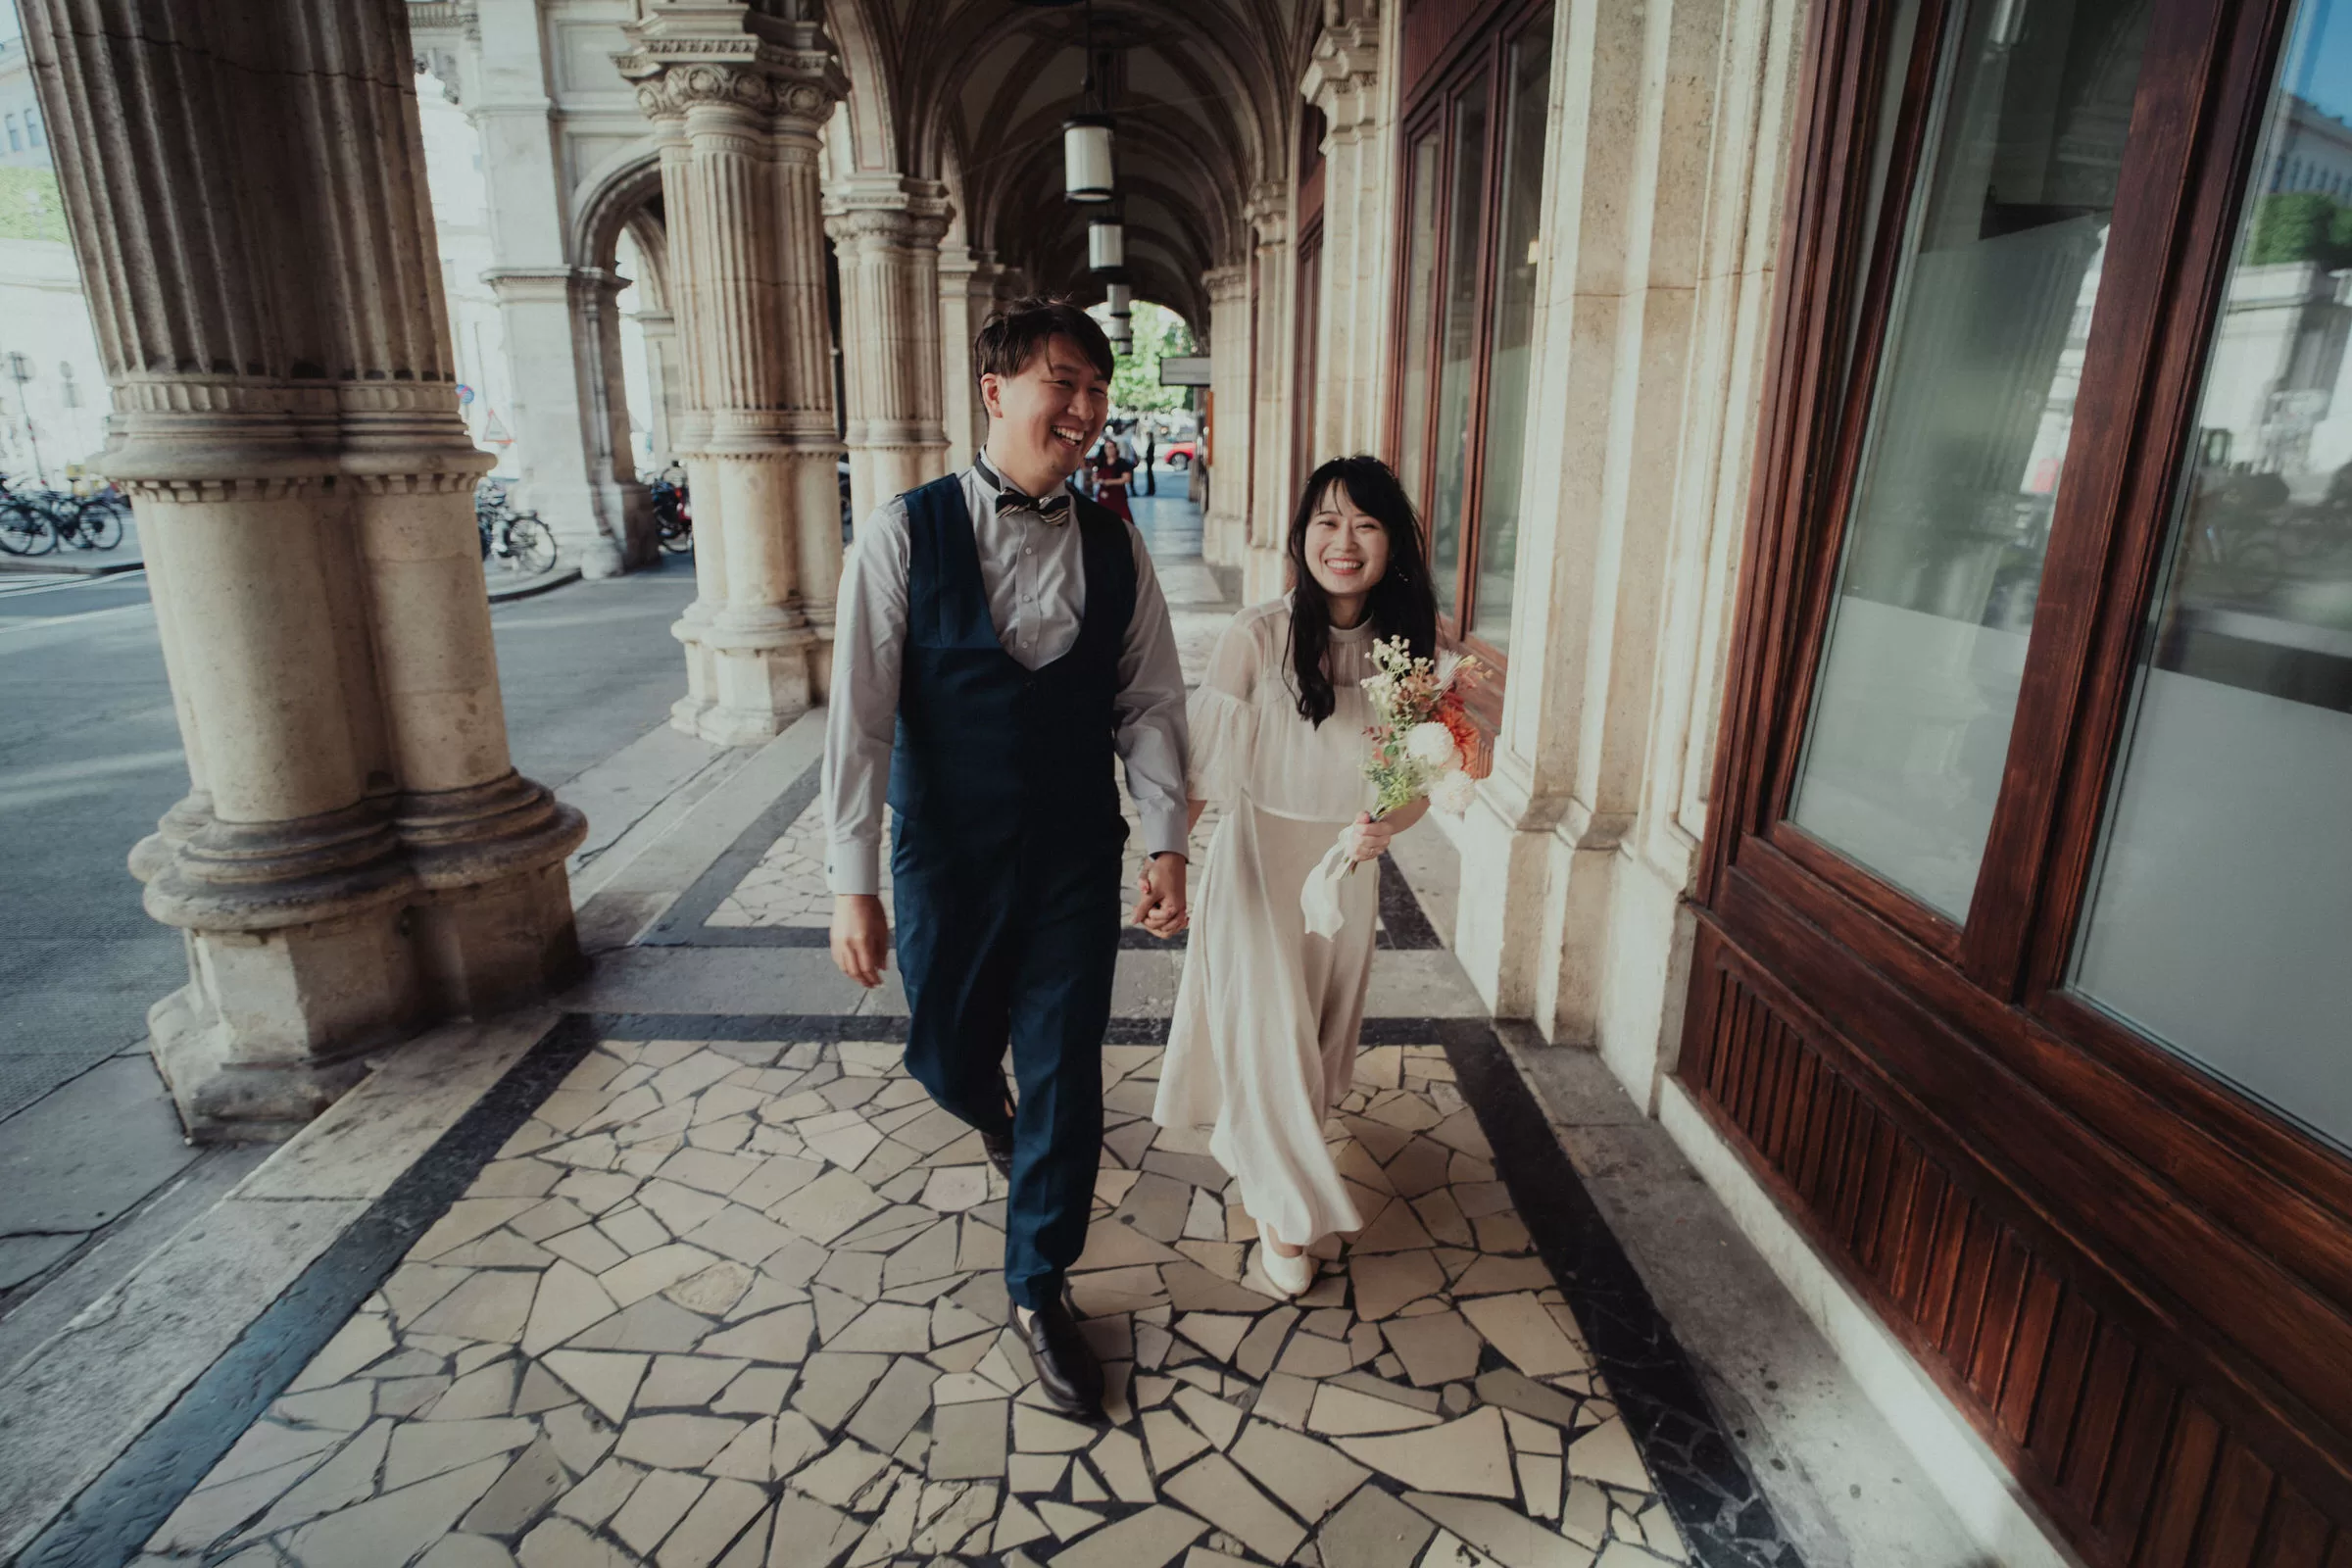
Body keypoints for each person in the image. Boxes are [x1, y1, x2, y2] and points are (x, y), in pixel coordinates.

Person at [824, 298, 1192, 1415]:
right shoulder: (902, 533)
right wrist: (854, 884)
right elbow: (861, 720)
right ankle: (990, 1112)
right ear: (997, 392)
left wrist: (1168, 838)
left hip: (1076, 856)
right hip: (945, 858)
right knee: (943, 1053)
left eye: (1096, 388)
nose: (1083, 409)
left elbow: (1150, 702)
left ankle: (1039, 1283)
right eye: (1061, 384)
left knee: (1068, 1071)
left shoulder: (1117, 544)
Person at [1152, 454, 1440, 1298]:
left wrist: (1385, 825)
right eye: (1326, 521)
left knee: (1312, 1049)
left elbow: (1417, 783)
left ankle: (1272, 1158)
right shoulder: (1259, 634)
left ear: (1393, 542)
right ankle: (1286, 1216)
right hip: (1256, 868)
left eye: (1365, 524)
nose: (1342, 542)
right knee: (1270, 1040)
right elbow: (1203, 772)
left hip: (1346, 870)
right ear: (1301, 534)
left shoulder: (1413, 650)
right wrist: (1167, 864)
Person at [1091, 438, 1135, 523]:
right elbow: (1095, 476)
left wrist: (1109, 482)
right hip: (1103, 496)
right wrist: (1095, 479)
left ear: (1115, 449)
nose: (1109, 450)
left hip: (1118, 496)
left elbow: (1126, 478)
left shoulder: (1122, 463)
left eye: (1111, 447)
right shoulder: (1101, 462)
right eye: (1107, 448)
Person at [1142, 424, 1157, 496]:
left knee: (1150, 476)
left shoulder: (1151, 444)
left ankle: (1151, 490)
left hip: (1150, 462)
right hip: (1149, 462)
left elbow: (1150, 454)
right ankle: (1150, 490)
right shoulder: (1150, 443)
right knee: (1149, 476)